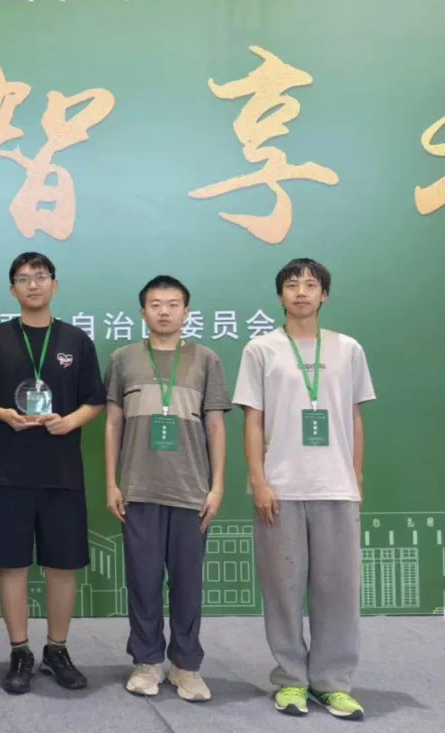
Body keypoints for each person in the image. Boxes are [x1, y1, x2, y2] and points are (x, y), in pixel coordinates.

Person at [233, 258, 374, 720]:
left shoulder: (348, 349)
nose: (301, 292)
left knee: (338, 592)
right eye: (292, 285)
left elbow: (354, 416)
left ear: (324, 295)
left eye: (311, 285)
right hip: (281, 489)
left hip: (335, 488)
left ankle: (333, 682)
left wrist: (355, 478)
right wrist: (258, 480)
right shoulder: (261, 349)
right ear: (280, 295)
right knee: (283, 590)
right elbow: (253, 420)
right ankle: (291, 679)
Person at [0, 251, 106, 694]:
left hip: (62, 471)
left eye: (41, 276)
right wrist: (4, 414)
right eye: (24, 278)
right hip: (6, 470)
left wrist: (70, 421)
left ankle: (57, 650)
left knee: (62, 565)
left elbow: (95, 400)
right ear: (12, 289)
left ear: (54, 285)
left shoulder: (76, 340)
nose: (33, 284)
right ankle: (20, 651)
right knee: (12, 565)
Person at [104, 275, 230, 701]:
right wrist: (111, 482)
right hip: (138, 489)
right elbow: (113, 424)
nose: (164, 311)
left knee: (188, 584)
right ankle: (146, 662)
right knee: (142, 581)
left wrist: (217, 486)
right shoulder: (123, 359)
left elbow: (216, 426)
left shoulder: (206, 359)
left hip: (191, 492)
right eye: (155, 304)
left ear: (186, 312)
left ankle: (186, 666)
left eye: (173, 304)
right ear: (143, 312)